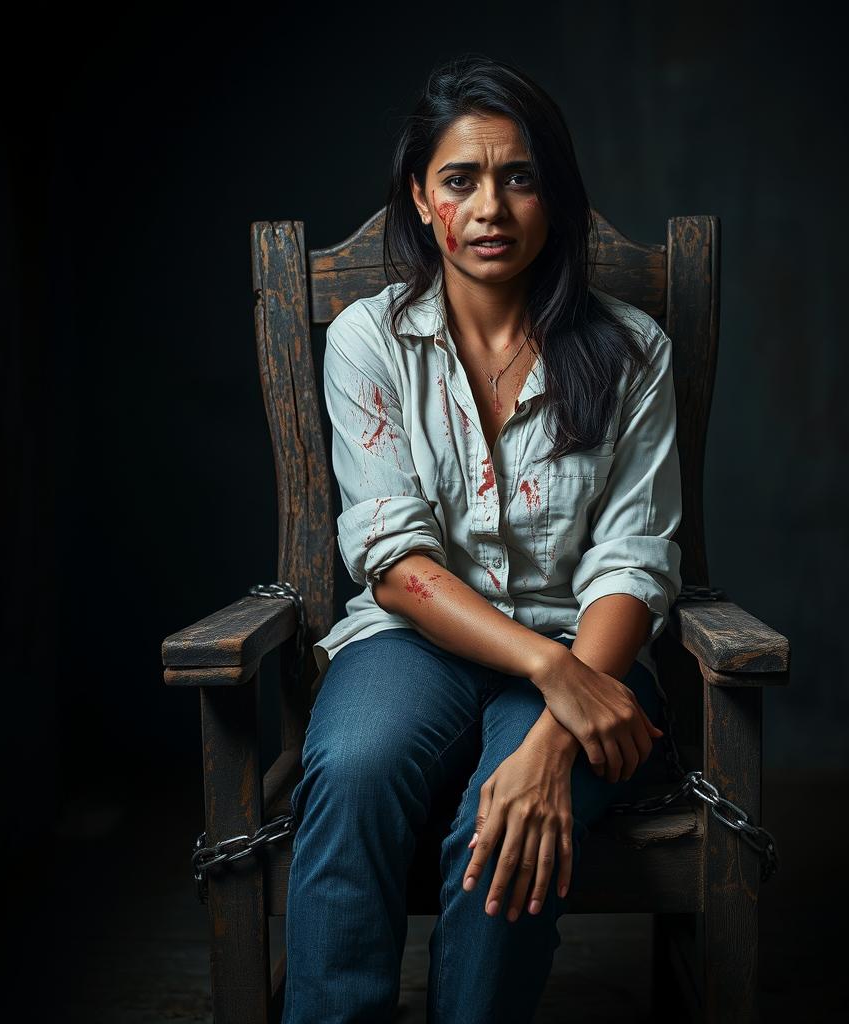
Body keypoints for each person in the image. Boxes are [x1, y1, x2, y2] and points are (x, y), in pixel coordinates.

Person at [284, 53, 683, 1024]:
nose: (490, 208)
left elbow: (635, 555)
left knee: (500, 824)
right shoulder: (369, 340)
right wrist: (556, 676)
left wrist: (554, 731)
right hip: (414, 643)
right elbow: (392, 561)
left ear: (555, 197)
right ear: (421, 199)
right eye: (460, 180)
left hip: (592, 645)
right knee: (352, 767)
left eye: (519, 178)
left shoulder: (632, 350)